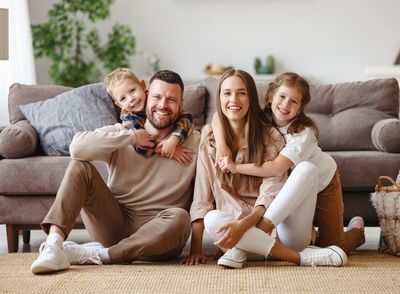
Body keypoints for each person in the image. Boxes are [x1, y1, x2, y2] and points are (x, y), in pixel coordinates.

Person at [31, 70, 200, 274]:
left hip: (160, 235)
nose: (163, 105)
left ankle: (103, 255)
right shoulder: (123, 133)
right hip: (113, 224)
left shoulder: (194, 142)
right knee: (79, 166)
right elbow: (77, 148)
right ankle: (53, 246)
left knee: (180, 218)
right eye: (157, 97)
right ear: (147, 95)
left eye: (171, 99)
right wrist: (131, 138)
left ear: (181, 104)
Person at [182, 69, 347, 269]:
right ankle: (299, 256)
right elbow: (202, 197)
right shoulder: (210, 139)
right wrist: (196, 250)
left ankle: (348, 234)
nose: (234, 99)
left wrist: (245, 226)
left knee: (306, 169)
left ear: (251, 97)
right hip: (233, 237)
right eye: (227, 93)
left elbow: (273, 185)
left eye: (242, 93)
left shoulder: (272, 135)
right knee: (212, 218)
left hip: (275, 231)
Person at [215, 72, 365, 255]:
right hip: (293, 184)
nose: (286, 104)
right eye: (282, 97)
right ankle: (311, 236)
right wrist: (222, 145)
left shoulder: (304, 133)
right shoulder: (262, 119)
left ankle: (357, 232)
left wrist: (235, 167)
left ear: (301, 107)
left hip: (322, 181)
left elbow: (277, 168)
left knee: (334, 247)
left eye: (294, 101)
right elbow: (217, 117)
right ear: (271, 97)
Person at [104, 67, 194, 161]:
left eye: (132, 90)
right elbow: (141, 145)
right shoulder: (128, 119)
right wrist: (168, 150)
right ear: (119, 105)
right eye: (123, 98)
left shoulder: (154, 98)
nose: (131, 99)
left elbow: (187, 117)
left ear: (143, 86)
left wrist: (174, 139)